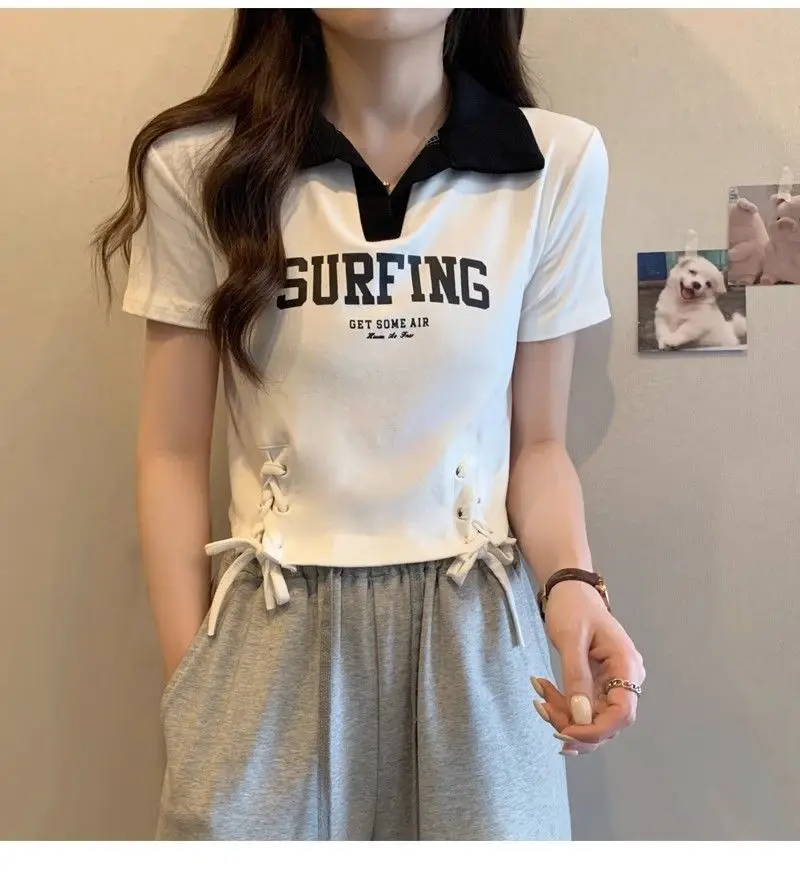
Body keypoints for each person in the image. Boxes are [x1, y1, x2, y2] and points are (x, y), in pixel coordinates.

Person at [94, 8, 645, 841]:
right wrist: (194, 685)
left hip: (477, 638)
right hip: (269, 631)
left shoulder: (555, 163)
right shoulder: (200, 166)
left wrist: (573, 586)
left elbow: (538, 444)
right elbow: (171, 451)